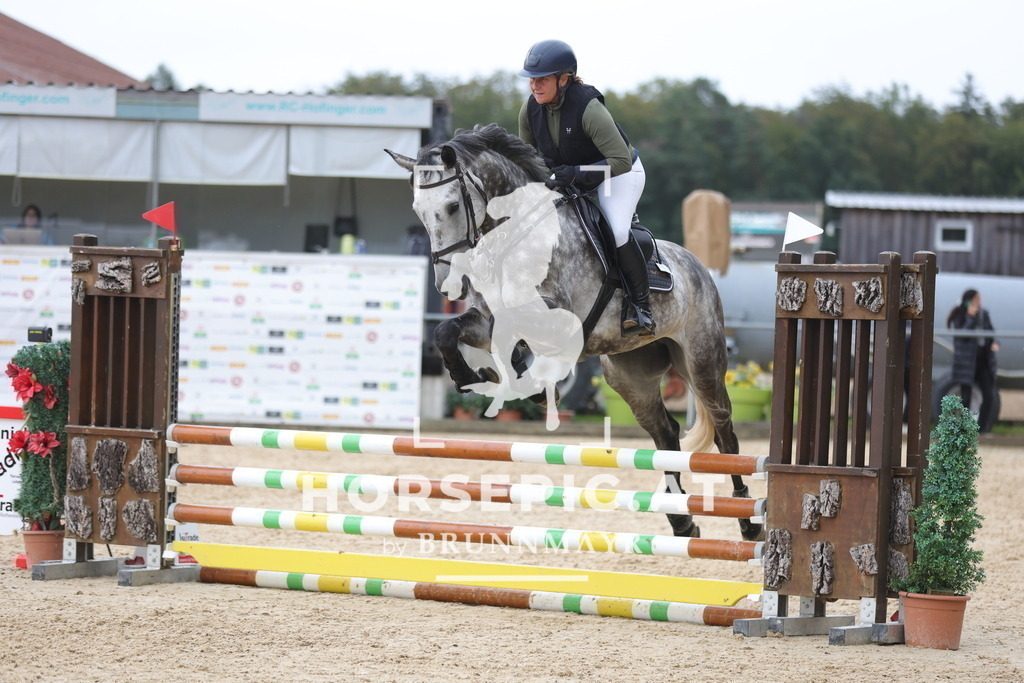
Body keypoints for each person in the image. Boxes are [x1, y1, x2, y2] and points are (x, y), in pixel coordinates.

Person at [516, 39, 654, 337]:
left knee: (616, 230)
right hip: (570, 178)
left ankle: (640, 306)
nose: (534, 85)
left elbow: (620, 161)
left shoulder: (588, 107)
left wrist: (575, 174)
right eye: (532, 79)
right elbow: (525, 162)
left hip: (617, 175)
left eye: (542, 79)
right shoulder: (529, 110)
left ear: (564, 79)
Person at [947, 288, 999, 431]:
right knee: (965, 396)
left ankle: (982, 429)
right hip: (967, 362)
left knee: (989, 395)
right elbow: (962, 335)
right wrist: (970, 317)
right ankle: (963, 428)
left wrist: (995, 343)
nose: (979, 302)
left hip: (984, 361)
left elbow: (991, 333)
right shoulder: (960, 314)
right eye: (977, 299)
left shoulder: (984, 314)